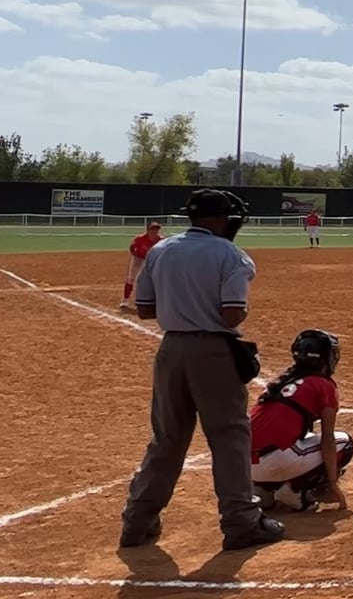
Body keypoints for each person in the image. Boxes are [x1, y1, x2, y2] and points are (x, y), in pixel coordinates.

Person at [120, 189, 285, 551]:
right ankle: (241, 521)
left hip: (171, 351)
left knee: (167, 438)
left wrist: (181, 303)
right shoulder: (230, 254)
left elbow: (145, 309)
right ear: (219, 219)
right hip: (213, 352)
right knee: (229, 437)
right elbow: (231, 314)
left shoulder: (160, 250)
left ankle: (137, 520)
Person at [250, 330, 353, 512]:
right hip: (276, 461)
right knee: (344, 443)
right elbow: (328, 440)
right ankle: (295, 490)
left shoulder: (282, 381)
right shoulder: (324, 386)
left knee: (298, 437)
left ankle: (262, 491)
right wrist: (332, 482)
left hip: (243, 465)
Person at [117, 221, 163, 311]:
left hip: (152, 261)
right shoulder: (140, 238)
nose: (154, 231)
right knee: (131, 278)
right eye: (152, 229)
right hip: (138, 259)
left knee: (154, 280)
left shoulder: (161, 240)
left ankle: (152, 300)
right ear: (147, 230)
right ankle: (125, 300)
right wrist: (136, 256)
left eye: (156, 229)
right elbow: (132, 247)